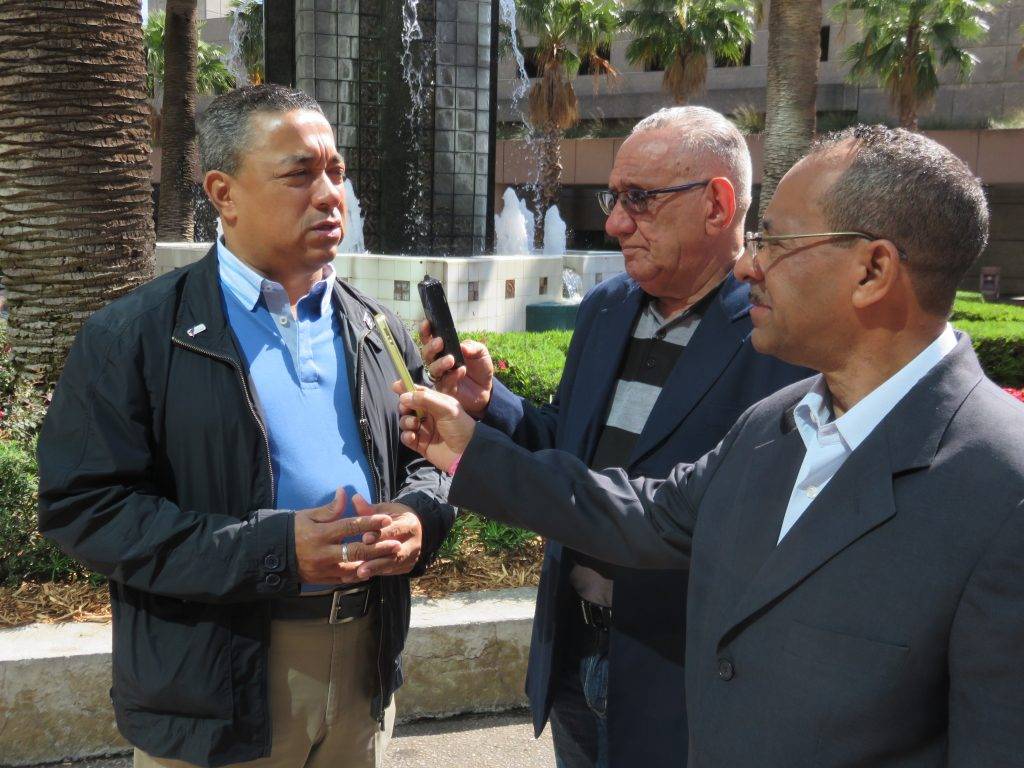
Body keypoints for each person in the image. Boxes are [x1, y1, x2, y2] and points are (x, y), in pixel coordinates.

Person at [398, 125, 1024, 766]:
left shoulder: (1003, 487)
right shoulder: (774, 424)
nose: (750, 263)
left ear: (872, 269)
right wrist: (471, 446)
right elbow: (639, 512)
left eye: (775, 240)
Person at [37, 84, 456, 768]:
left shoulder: (375, 325)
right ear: (222, 193)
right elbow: (85, 508)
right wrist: (271, 550)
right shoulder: (136, 335)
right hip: (215, 682)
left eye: (336, 172)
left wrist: (419, 517)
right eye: (299, 173)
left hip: (363, 666)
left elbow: (428, 462)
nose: (330, 196)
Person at [421, 106, 807, 767]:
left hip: (682, 680)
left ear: (717, 204)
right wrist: (492, 406)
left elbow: (689, 513)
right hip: (576, 656)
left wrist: (473, 455)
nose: (615, 222)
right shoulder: (607, 309)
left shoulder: (780, 339)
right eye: (614, 197)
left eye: (640, 199)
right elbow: (575, 452)